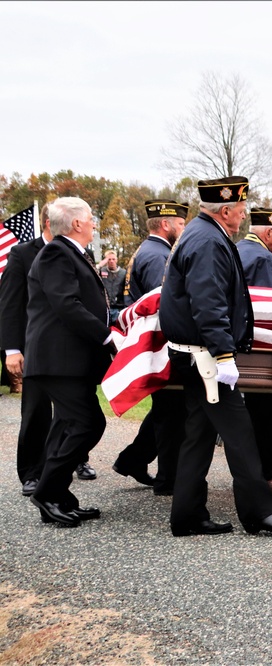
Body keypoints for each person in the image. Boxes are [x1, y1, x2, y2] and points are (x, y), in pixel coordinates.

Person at [159, 176, 272, 537]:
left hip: (194, 354)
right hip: (206, 357)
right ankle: (259, 514)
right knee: (240, 436)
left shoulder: (200, 234)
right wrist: (224, 354)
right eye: (239, 210)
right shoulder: (208, 240)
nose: (242, 217)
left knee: (199, 435)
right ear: (225, 211)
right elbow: (209, 304)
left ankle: (187, 515)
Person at [23, 197, 114, 527]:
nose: (93, 223)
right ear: (76, 224)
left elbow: (89, 302)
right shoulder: (56, 253)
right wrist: (106, 336)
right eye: (90, 219)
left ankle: (59, 496)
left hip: (69, 360)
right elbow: (68, 305)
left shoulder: (73, 253)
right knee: (87, 424)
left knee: (69, 426)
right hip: (58, 359)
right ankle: (47, 493)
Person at [112, 200, 189, 495]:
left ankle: (133, 460)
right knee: (171, 413)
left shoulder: (145, 251)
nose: (184, 230)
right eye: (181, 224)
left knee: (166, 410)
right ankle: (167, 478)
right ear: (166, 224)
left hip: (150, 343)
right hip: (159, 344)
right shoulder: (159, 256)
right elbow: (165, 300)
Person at [236, 207, 272, 493]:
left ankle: (252, 471)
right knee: (265, 413)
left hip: (236, 348)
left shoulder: (237, 249)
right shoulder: (264, 260)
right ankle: (263, 473)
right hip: (262, 354)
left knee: (251, 414)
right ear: (268, 232)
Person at [1, 204, 55, 496]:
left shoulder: (78, 250)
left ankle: (75, 460)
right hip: (34, 345)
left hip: (69, 346)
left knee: (76, 410)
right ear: (49, 222)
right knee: (36, 412)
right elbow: (9, 303)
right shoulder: (22, 254)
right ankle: (31, 472)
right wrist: (11, 348)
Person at [97, 249, 126, 322]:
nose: (111, 261)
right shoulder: (102, 271)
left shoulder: (123, 273)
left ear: (117, 260)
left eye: (113, 259)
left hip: (118, 307)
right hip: (104, 307)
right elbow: (90, 273)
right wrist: (100, 265)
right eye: (109, 259)